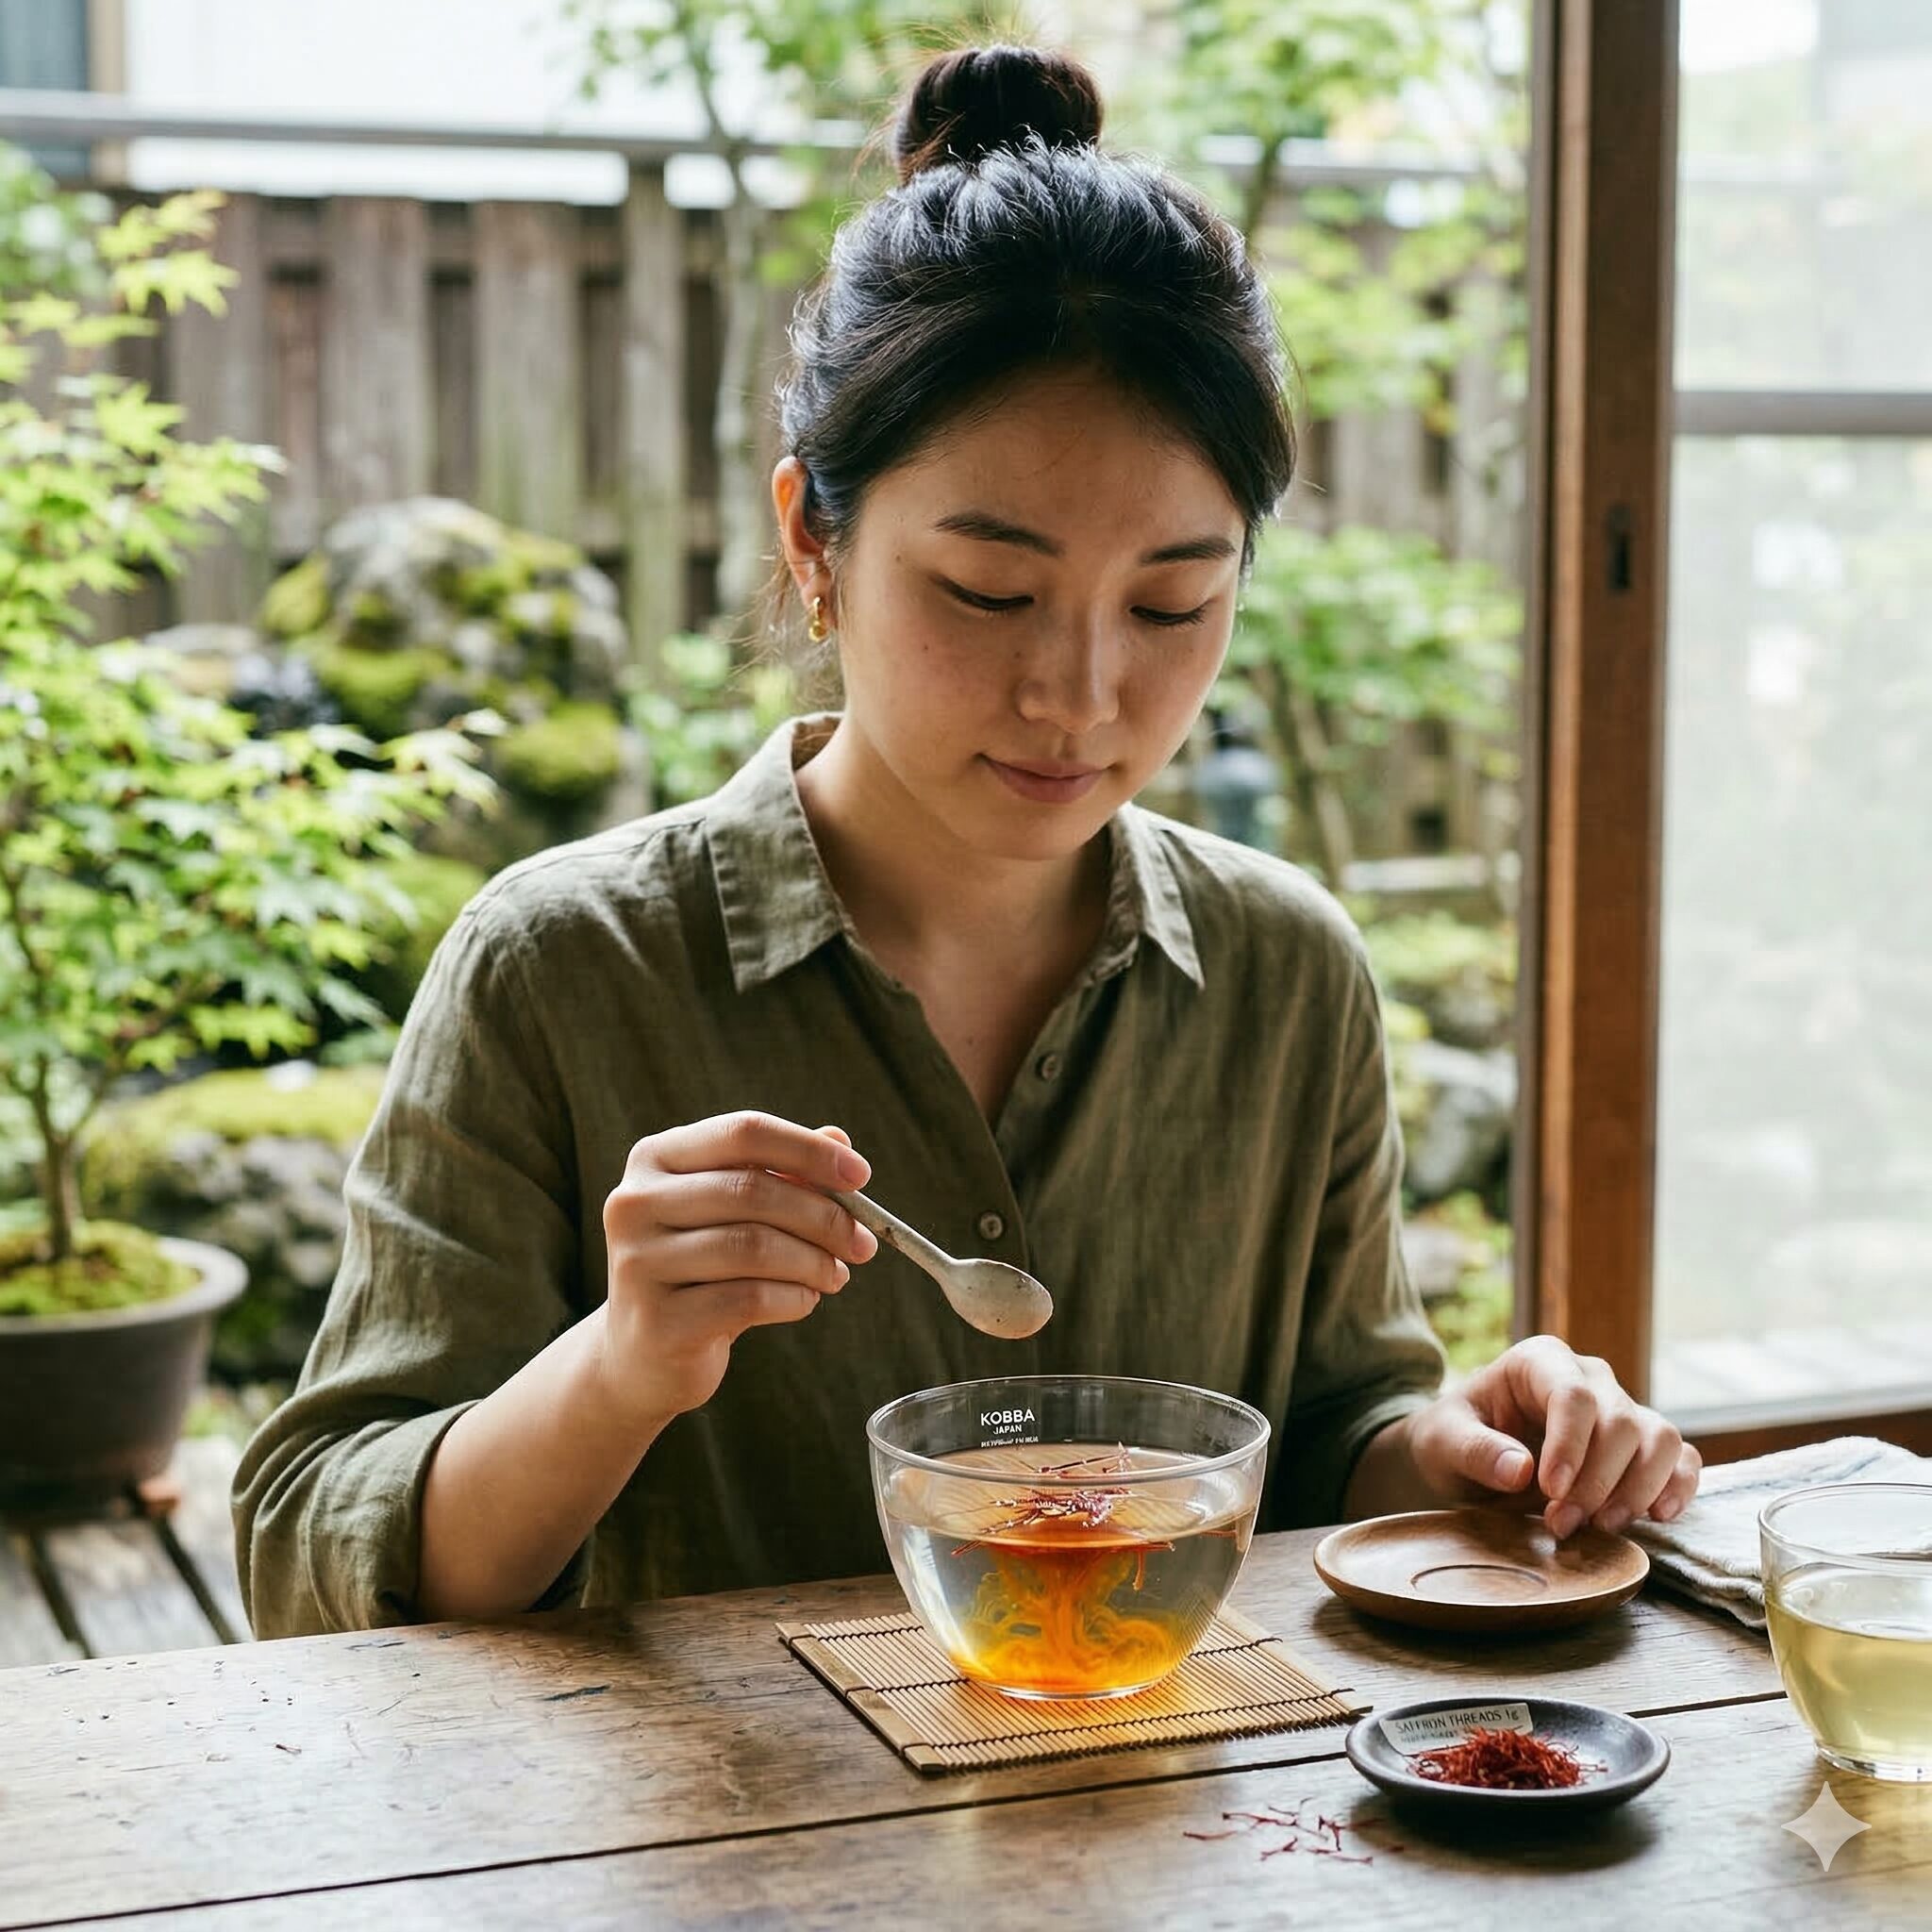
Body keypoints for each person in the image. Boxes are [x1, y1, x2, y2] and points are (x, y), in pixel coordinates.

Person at [234, 43, 1699, 1637]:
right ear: (815, 538)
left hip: (1184, 1855)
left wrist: (1481, 1449)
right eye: (987, 591)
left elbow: (1340, 1423)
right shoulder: (565, 969)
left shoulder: (1286, 973)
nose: (1080, 694)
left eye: (1172, 604)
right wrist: (622, 1364)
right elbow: (316, 1567)